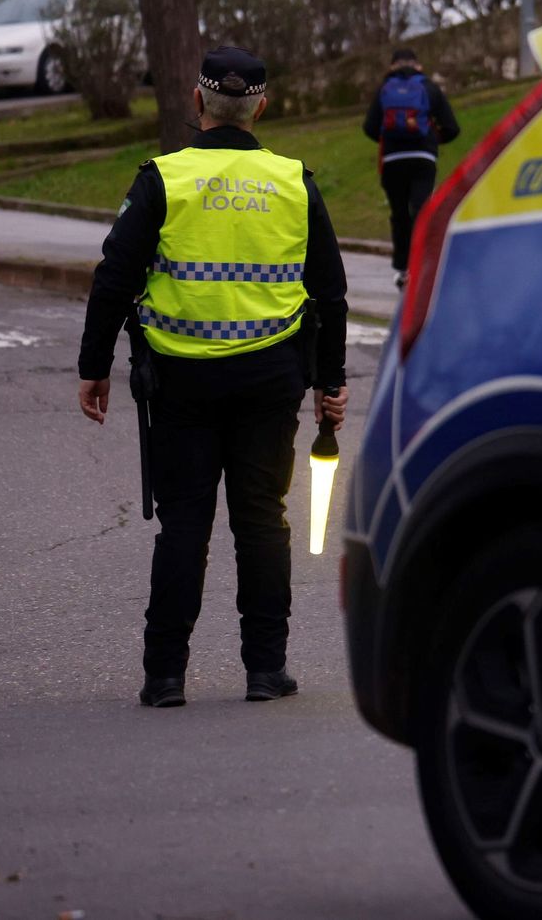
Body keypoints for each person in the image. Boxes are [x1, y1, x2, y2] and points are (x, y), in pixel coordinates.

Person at [76, 46, 350, 709]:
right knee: (262, 521)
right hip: (269, 380)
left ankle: (164, 676)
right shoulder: (293, 182)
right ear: (262, 106)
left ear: (198, 104)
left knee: (185, 526)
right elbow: (333, 293)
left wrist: (95, 368)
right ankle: (265, 670)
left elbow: (114, 276)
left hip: (182, 383)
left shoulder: (162, 180)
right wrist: (330, 382)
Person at [363, 47, 460, 286]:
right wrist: (431, 139)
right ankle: (423, 265)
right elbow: (452, 127)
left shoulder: (384, 89)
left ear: (392, 66)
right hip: (422, 157)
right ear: (418, 65)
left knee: (399, 215)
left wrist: (390, 139)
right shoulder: (429, 87)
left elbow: (369, 126)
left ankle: (402, 270)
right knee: (421, 210)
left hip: (392, 160)